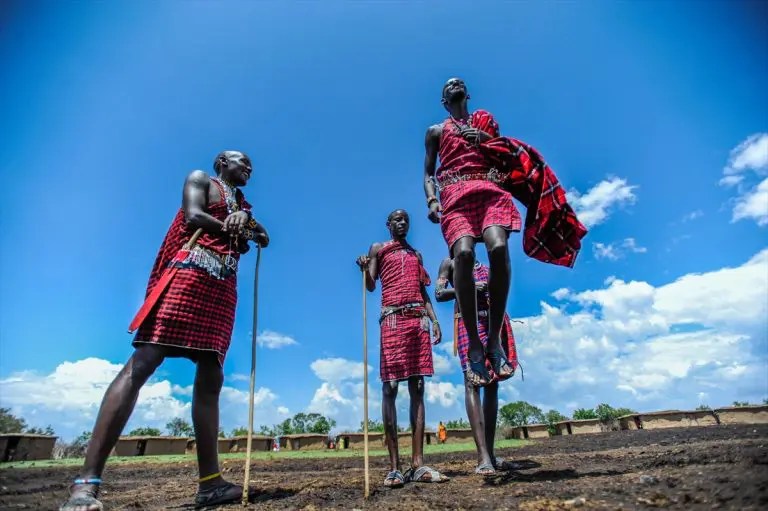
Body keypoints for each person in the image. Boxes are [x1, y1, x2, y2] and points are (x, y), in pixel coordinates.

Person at [60, 151, 269, 511]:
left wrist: (247, 221)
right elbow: (193, 216)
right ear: (222, 162)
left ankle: (210, 484)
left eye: (251, 165)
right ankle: (86, 483)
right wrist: (232, 225)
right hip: (189, 273)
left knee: (211, 376)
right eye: (242, 162)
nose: (248, 168)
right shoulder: (202, 179)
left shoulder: (242, 204)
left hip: (221, 288)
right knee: (146, 358)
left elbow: (262, 237)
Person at [423, 78, 587, 387]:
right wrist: (432, 200)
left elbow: (502, 155)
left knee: (498, 248)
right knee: (464, 254)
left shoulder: (485, 121)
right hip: (455, 194)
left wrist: (482, 137)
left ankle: (495, 341)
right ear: (444, 101)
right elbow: (427, 174)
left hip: (490, 190)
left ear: (467, 94)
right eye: (448, 85)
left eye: (459, 82)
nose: (454, 83)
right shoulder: (435, 131)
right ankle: (474, 345)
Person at [356, 209, 449, 488]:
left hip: (417, 319)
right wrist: (363, 267)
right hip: (393, 319)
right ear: (388, 225)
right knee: (391, 387)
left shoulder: (416, 255)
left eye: (406, 219)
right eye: (397, 219)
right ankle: (395, 467)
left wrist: (434, 320)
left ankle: (417, 464)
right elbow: (371, 285)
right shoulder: (379, 249)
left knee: (417, 386)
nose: (402, 223)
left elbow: (423, 292)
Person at [435, 257, 518, 476]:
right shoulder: (449, 265)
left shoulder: (486, 266)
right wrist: (468, 288)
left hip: (492, 324)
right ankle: (482, 457)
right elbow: (439, 293)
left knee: (493, 384)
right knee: (472, 383)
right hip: (467, 323)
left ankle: (490, 454)